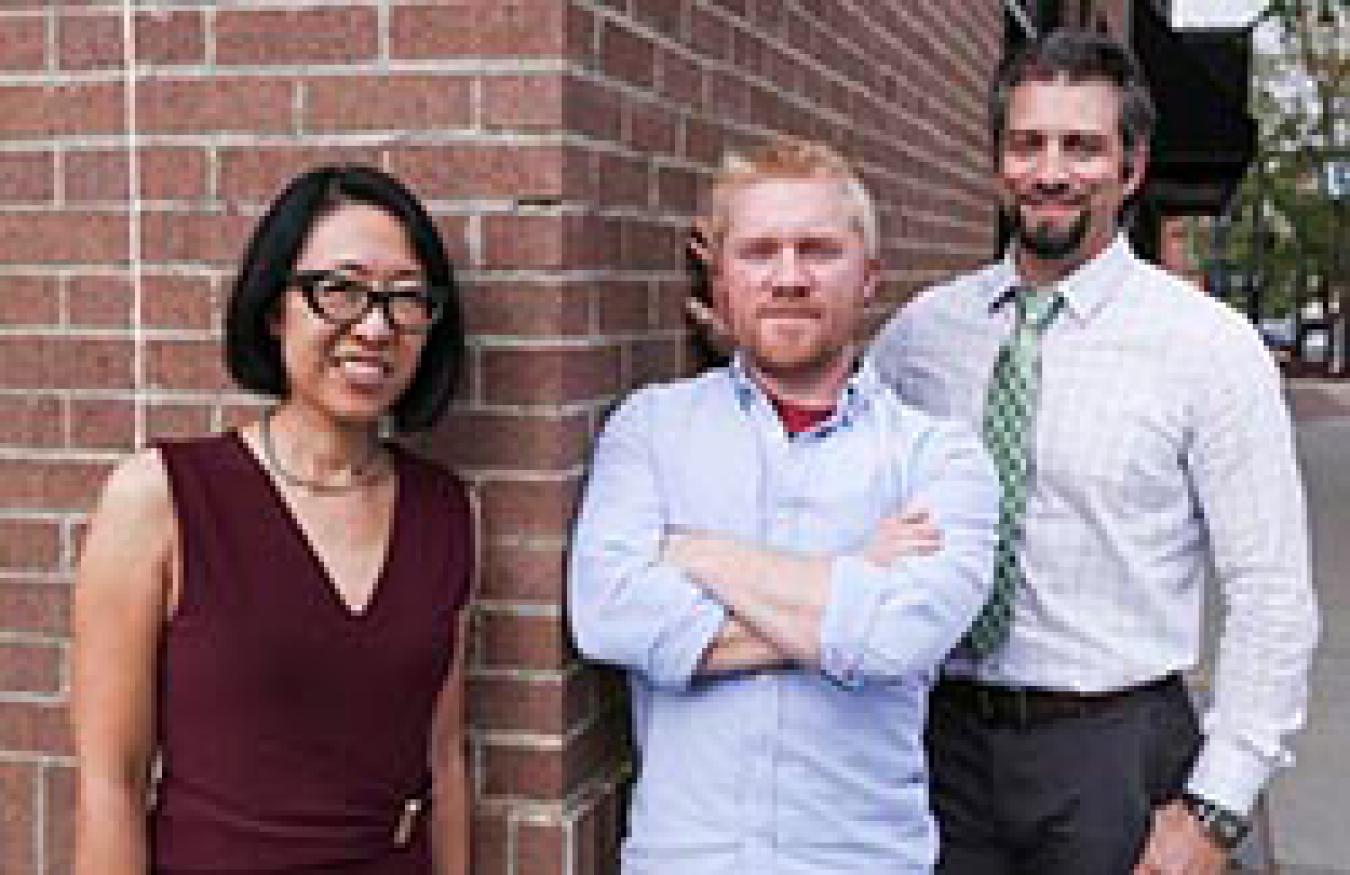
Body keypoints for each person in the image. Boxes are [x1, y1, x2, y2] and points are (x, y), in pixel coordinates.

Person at [868, 29, 1319, 874]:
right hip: (939, 747)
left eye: (1082, 146)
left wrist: (1214, 810)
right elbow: (835, 451)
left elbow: (1273, 593)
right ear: (998, 161)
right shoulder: (924, 335)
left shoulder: (1207, 348)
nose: (1050, 171)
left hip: (1115, 757)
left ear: (1131, 168)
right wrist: (759, 349)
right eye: (1027, 143)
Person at [568, 138, 1001, 874]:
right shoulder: (651, 428)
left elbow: (898, 637)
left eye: (819, 250)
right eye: (760, 250)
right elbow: (608, 613)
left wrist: (698, 555)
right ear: (721, 276)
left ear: (869, 278)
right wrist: (853, 575)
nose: (789, 276)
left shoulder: (939, 456)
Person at [71, 165, 477, 874]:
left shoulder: (450, 513)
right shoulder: (160, 498)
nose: (376, 326)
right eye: (341, 290)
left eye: (407, 298)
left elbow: (443, 762)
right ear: (273, 308)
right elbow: (111, 783)